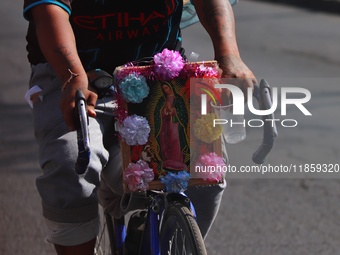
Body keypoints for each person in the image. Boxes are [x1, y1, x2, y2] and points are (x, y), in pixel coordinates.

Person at [23, 0, 256, 254]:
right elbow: (49, 9)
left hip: (158, 70)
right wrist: (72, 76)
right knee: (71, 163)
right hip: (75, 73)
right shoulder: (71, 74)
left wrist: (228, 55)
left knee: (204, 168)